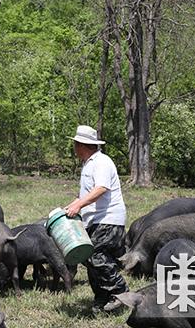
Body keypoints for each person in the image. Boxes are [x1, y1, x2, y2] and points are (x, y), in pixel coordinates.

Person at [64, 125, 128, 314]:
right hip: (95, 219)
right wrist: (71, 206)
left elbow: (101, 188)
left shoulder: (101, 162)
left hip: (108, 219)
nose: (74, 147)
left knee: (96, 255)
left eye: (75, 144)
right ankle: (102, 298)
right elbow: (85, 193)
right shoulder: (89, 163)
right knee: (89, 258)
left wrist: (79, 206)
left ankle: (120, 291)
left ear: (82, 145)